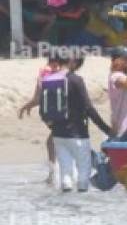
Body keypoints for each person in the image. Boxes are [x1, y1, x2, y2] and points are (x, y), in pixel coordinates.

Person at [47, 57, 114, 192]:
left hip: (58, 135)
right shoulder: (76, 80)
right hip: (78, 134)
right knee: (83, 172)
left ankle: (64, 207)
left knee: (65, 172)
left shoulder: (51, 80)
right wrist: (106, 129)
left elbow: (45, 109)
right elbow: (88, 108)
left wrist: (53, 127)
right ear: (72, 62)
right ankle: (81, 209)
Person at [18, 55, 62, 184]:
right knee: (54, 142)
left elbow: (37, 99)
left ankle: (54, 175)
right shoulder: (64, 74)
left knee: (52, 142)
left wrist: (26, 107)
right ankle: (55, 174)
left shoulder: (43, 74)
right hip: (62, 115)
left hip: (50, 116)